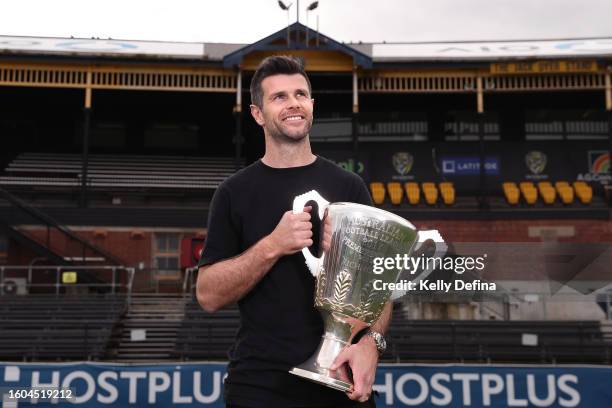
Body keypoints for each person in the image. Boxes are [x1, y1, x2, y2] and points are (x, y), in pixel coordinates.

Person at [196, 55, 391, 408]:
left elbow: (379, 286)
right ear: (257, 114)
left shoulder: (349, 187)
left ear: (312, 105)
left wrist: (370, 344)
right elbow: (208, 295)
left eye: (300, 94)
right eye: (279, 97)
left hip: (341, 380)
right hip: (260, 385)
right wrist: (272, 245)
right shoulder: (233, 193)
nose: (293, 104)